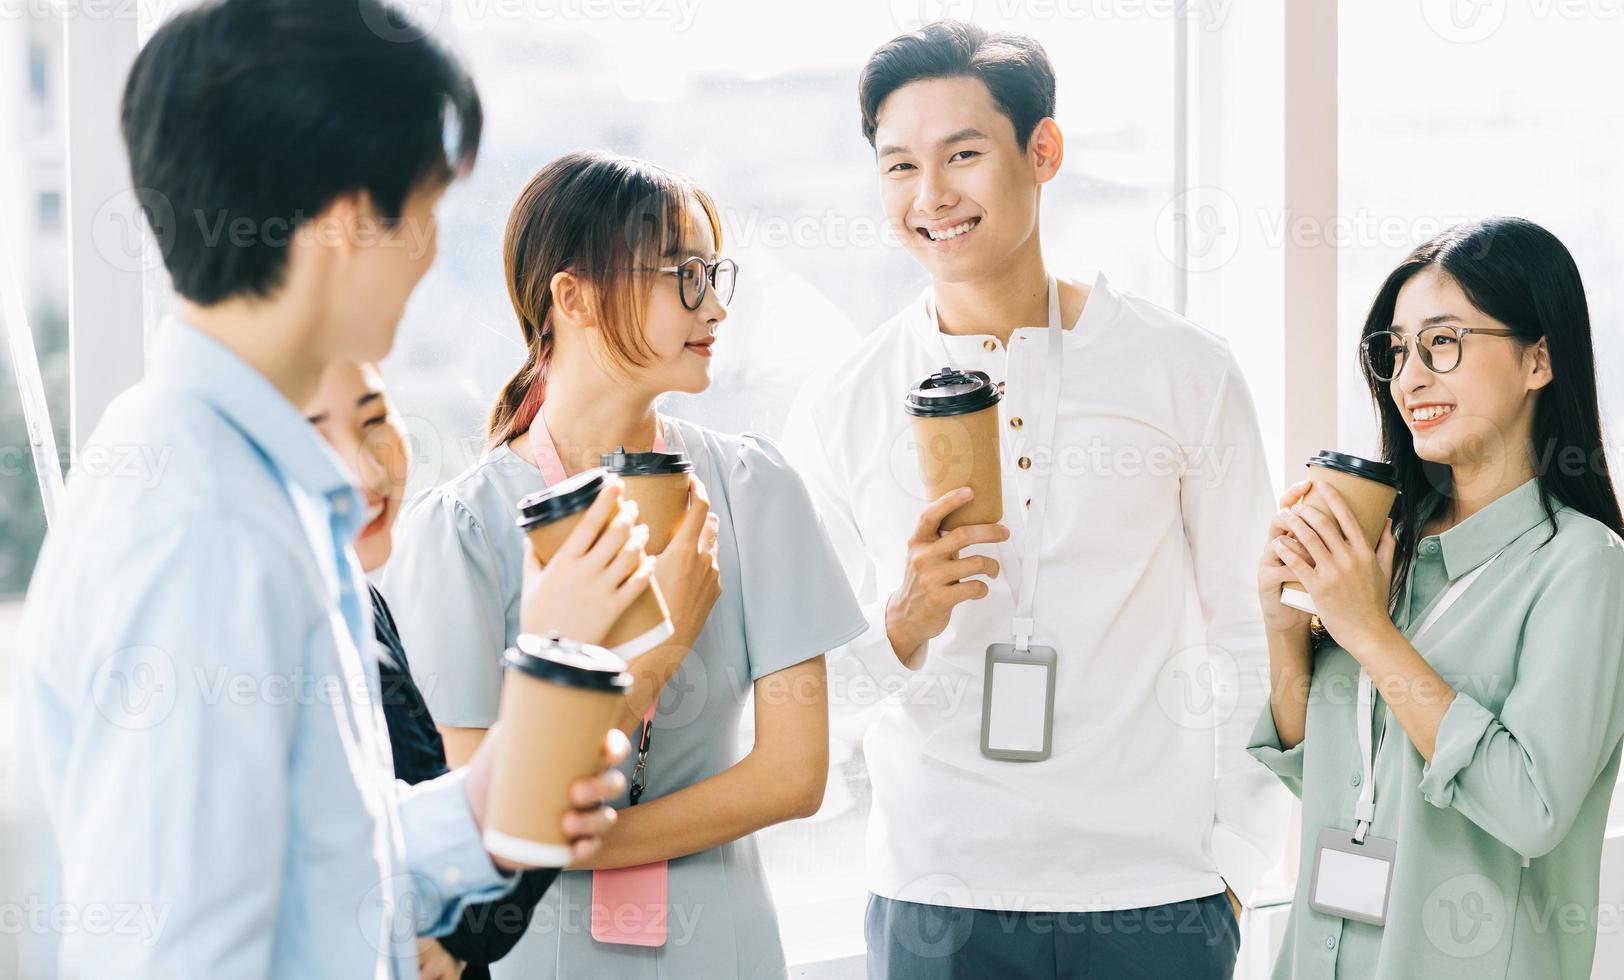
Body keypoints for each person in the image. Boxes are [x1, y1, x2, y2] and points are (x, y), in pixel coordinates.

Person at [8, 3, 630, 976]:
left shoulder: (230, 467)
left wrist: (478, 806)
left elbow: (307, 874)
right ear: (349, 224)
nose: (429, 250)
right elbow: (183, 952)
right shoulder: (205, 526)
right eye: (423, 209)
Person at [780, 20, 1289, 978]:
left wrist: (1233, 859)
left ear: (1041, 151)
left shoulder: (1184, 372)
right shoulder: (842, 404)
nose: (931, 196)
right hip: (939, 899)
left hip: (1155, 896)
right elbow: (804, 692)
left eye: (963, 155)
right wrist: (904, 620)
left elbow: (1250, 630)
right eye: (899, 166)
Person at [382, 150, 869, 979]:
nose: (713, 304)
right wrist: (654, 661)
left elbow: (794, 775)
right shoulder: (460, 530)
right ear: (570, 297)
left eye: (714, 274)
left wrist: (565, 841)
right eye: (682, 274)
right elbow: (476, 817)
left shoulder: (756, 488)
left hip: (728, 950)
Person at [1250, 217, 1624, 978]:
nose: (1410, 378)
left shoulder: (1585, 565)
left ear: (1538, 360)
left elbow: (1531, 809)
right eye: (1396, 351)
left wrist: (1370, 633)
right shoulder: (1387, 546)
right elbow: (1322, 776)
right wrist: (1287, 628)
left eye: (1443, 343)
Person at [305, 362, 607, 980]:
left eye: (374, 417)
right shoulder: (285, 641)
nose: (368, 470)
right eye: (313, 438)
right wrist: (564, 655)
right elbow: (465, 915)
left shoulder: (357, 599)